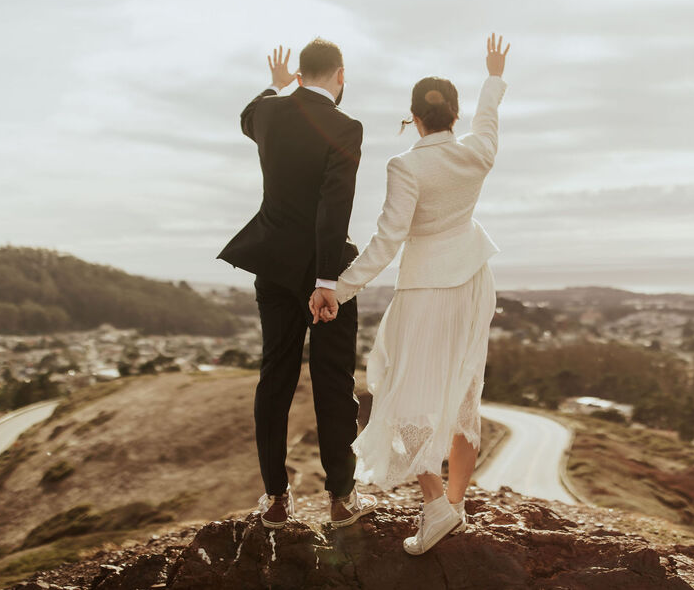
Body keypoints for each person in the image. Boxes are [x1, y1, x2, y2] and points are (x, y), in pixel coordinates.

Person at [311, 34, 510, 554]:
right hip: (472, 280)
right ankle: (455, 506)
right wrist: (493, 76)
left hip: (425, 290)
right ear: (453, 115)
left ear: (414, 118)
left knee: (407, 397)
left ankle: (438, 507)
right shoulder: (477, 153)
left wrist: (339, 289)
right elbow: (488, 121)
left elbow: (387, 240)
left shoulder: (406, 166)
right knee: (464, 392)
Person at [218, 38, 378, 529]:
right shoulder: (345, 127)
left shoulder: (268, 113)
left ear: (300, 75)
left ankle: (275, 497)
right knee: (333, 382)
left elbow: (247, 115)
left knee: (275, 378)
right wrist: (326, 279)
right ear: (341, 75)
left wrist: (275, 84)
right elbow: (335, 204)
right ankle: (341, 498)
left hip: (272, 265)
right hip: (324, 274)